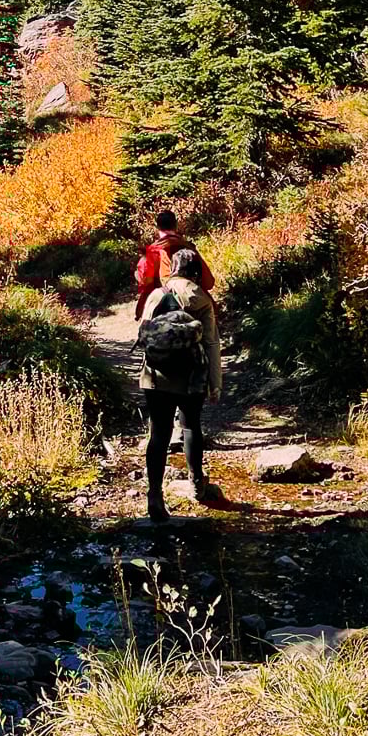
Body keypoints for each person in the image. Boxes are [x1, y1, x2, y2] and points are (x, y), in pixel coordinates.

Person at [138, 246, 222, 522]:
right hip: (190, 375)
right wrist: (215, 383)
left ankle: (154, 496)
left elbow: (145, 335)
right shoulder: (201, 298)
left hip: (155, 375)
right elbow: (210, 342)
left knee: (159, 434)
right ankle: (197, 484)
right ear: (195, 270)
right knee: (190, 426)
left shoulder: (155, 295)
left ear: (172, 268)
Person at [133, 210, 215, 320]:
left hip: (162, 301)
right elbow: (209, 283)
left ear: (157, 227)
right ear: (176, 225)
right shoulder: (189, 248)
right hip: (192, 299)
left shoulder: (152, 252)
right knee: (210, 323)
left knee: (146, 329)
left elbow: (146, 282)